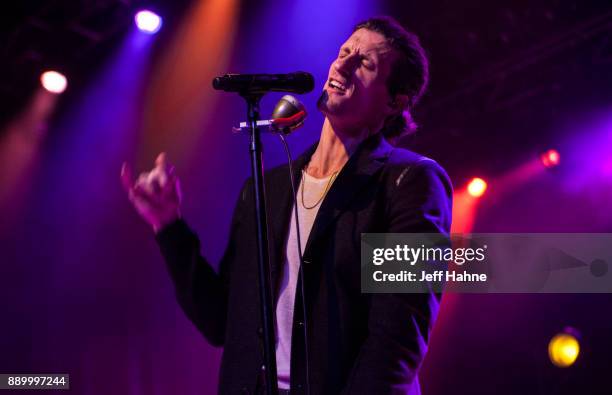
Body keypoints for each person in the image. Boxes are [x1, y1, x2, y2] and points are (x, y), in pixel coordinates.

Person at [121, 16, 452, 395]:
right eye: (344, 52)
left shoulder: (409, 182)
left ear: (396, 101)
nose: (342, 65)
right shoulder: (268, 188)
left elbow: (396, 342)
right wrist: (168, 226)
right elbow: (219, 320)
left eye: (365, 63)